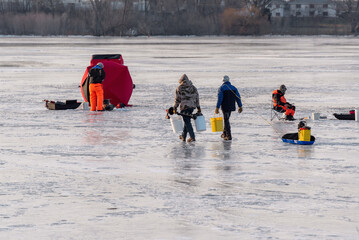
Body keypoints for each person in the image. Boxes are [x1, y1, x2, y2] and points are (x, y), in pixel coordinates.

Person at [174, 74, 201, 143]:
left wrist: (175, 108)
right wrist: (198, 107)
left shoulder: (179, 88)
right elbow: (197, 98)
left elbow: (177, 100)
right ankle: (183, 136)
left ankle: (192, 137)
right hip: (192, 107)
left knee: (187, 122)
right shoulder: (193, 87)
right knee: (187, 121)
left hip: (184, 107)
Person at [215, 75, 243, 141]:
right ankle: (224, 133)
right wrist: (240, 106)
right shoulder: (234, 88)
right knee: (226, 119)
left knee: (226, 120)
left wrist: (217, 107)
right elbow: (238, 97)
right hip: (231, 106)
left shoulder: (221, 88)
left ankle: (228, 135)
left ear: (223, 81)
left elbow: (220, 98)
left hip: (225, 106)